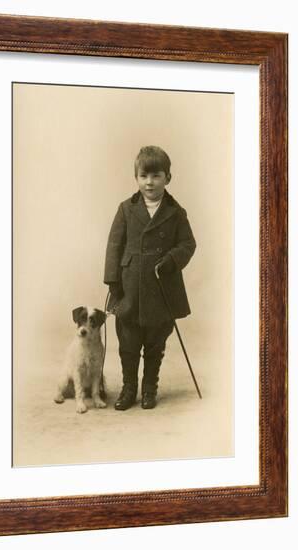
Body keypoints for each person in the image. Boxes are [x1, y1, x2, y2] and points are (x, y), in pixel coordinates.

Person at [104, 145, 196, 410]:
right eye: (144, 176)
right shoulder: (126, 209)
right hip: (130, 288)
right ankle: (128, 388)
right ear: (136, 178)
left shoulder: (176, 212)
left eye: (156, 176)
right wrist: (113, 282)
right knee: (129, 344)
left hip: (161, 290)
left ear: (168, 178)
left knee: (155, 344)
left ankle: (149, 388)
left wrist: (170, 261)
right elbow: (113, 246)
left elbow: (188, 244)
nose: (150, 182)